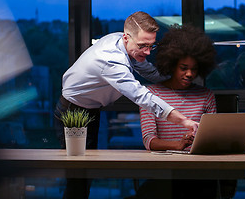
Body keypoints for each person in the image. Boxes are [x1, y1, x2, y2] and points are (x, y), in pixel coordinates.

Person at [54, 11, 198, 199]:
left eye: (150, 46)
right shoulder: (111, 60)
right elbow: (141, 96)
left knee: (86, 175)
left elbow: (149, 71)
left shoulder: (124, 44)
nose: (147, 52)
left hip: (91, 111)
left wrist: (176, 77)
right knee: (78, 178)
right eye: (142, 46)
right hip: (72, 112)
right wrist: (185, 121)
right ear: (126, 37)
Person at [135, 24, 236, 199]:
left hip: (200, 172)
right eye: (183, 68)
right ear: (172, 64)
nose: (189, 74)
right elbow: (149, 140)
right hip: (165, 174)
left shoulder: (206, 95)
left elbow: (212, 138)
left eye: (194, 69)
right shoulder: (151, 94)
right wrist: (178, 145)